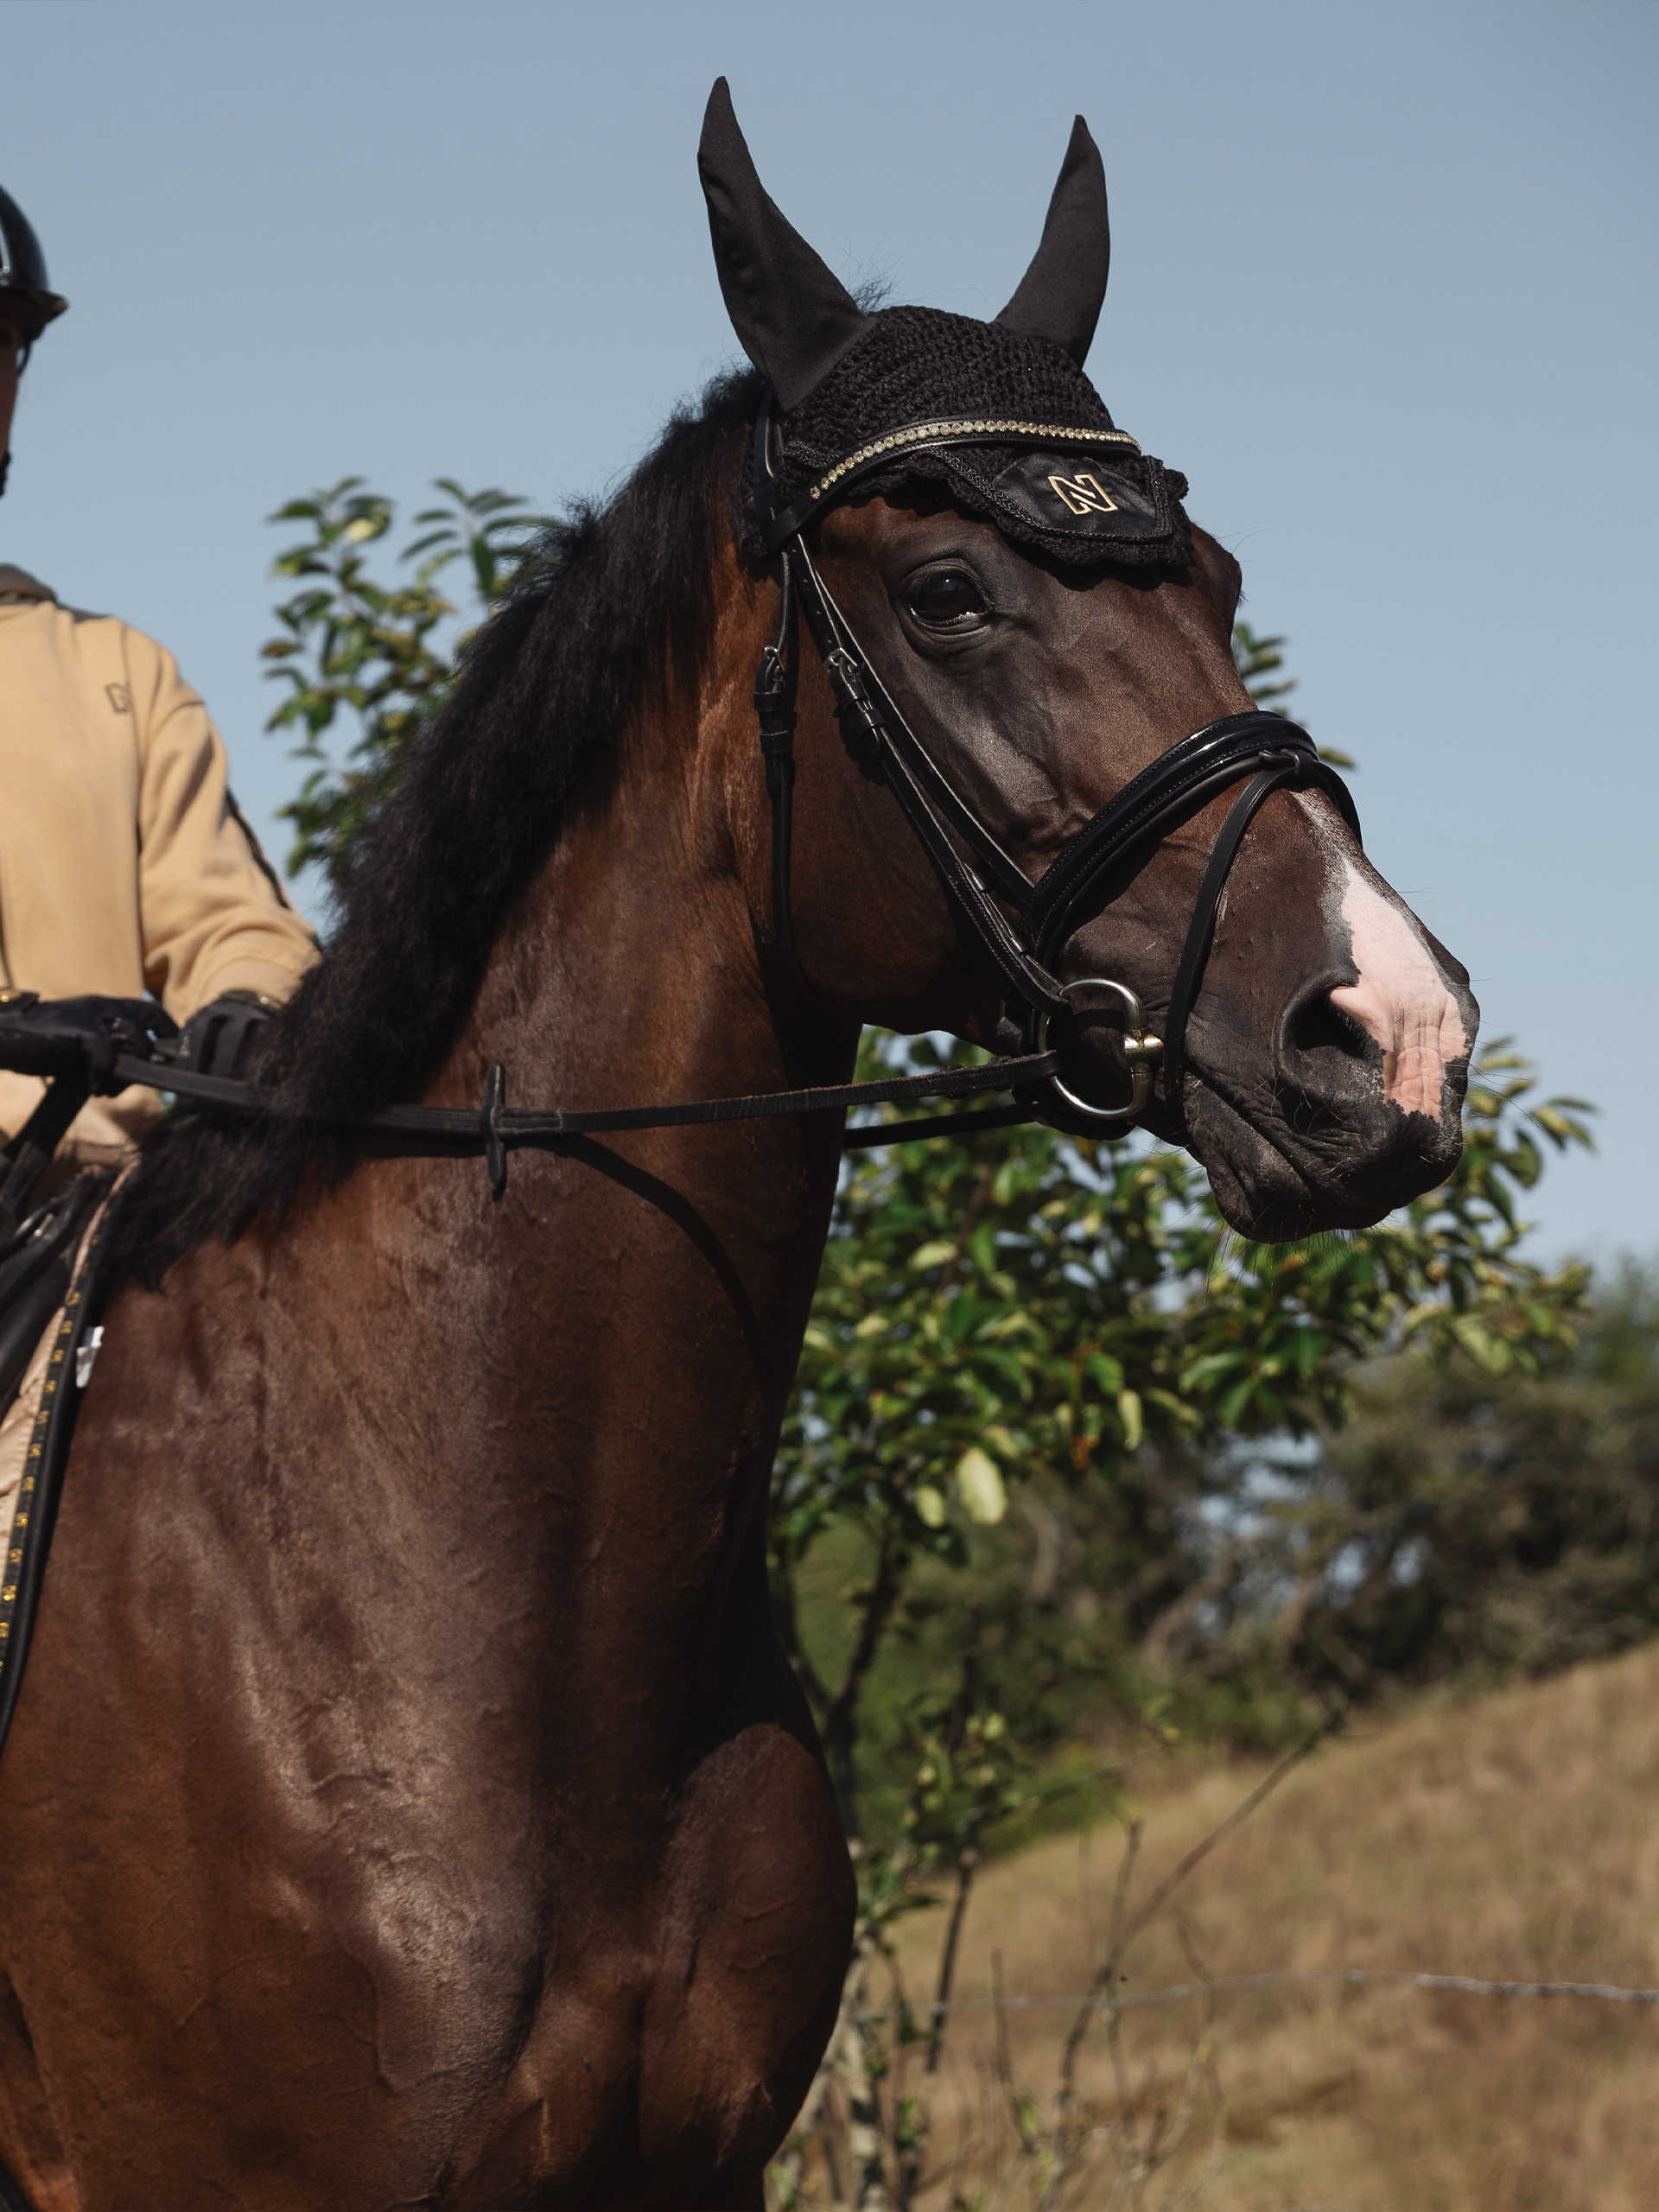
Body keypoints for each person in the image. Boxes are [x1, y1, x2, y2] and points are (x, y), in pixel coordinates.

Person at [0, 181, 319, 1180]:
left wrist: (248, 999)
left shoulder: (117, 670)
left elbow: (232, 915)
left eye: (2, 344)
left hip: (82, 1220)